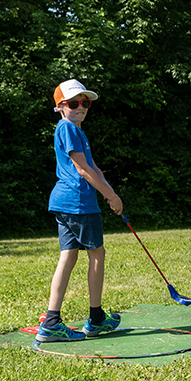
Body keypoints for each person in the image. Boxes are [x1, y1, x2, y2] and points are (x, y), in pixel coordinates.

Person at [37, 79, 123, 343]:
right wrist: (110, 196)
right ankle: (95, 319)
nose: (81, 107)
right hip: (77, 203)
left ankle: (52, 322)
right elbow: (83, 171)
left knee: (68, 257)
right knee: (97, 254)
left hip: (66, 203)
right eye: (73, 103)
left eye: (85, 103)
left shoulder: (76, 131)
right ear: (61, 107)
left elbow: (94, 167)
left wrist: (111, 194)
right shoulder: (68, 128)